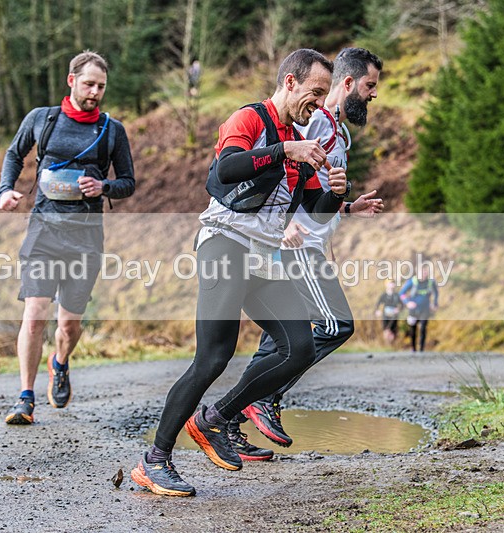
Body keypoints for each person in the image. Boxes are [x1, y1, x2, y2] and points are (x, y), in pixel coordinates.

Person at [131, 49, 346, 497]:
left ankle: (216, 418)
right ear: (290, 82)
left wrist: (337, 196)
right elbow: (226, 170)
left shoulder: (301, 141)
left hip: (264, 257)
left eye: (325, 95)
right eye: (315, 92)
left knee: (299, 346)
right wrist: (285, 149)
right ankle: (154, 461)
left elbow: (314, 213)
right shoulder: (249, 119)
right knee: (212, 357)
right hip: (225, 244)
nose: (320, 103)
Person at [235, 48, 384, 450]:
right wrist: (282, 226)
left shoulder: (335, 125)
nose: (373, 95)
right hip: (296, 244)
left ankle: (228, 420)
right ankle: (261, 398)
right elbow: (281, 171)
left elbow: (313, 187)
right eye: (370, 85)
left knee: (279, 341)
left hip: (308, 239)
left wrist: (347, 207)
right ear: (348, 83)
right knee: (335, 325)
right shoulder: (314, 118)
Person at [0, 50, 135, 425]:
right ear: (71, 80)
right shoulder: (43, 120)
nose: (95, 92)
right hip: (43, 230)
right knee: (34, 314)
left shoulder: (112, 129)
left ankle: (60, 362)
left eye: (101, 86)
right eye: (89, 84)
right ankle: (25, 397)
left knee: (68, 326)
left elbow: (128, 183)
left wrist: (103, 185)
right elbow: (15, 153)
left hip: (86, 238)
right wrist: (5, 189)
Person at [399, 264, 439, 352]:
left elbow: (436, 293)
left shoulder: (430, 282)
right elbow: (401, 293)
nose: (424, 274)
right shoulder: (412, 282)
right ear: (417, 273)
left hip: (425, 309)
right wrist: (407, 303)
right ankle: (413, 348)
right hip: (413, 310)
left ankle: (421, 349)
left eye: (425, 272)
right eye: (422, 272)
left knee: (423, 327)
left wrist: (435, 304)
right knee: (413, 328)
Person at [375, 279, 402, 343]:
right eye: (390, 283)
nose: (392, 285)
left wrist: (398, 309)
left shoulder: (396, 295)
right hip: (385, 316)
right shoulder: (383, 295)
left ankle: (392, 346)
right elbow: (378, 304)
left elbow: (402, 305)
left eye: (393, 283)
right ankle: (387, 345)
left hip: (394, 317)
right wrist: (377, 311)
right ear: (386, 285)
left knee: (393, 332)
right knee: (386, 330)